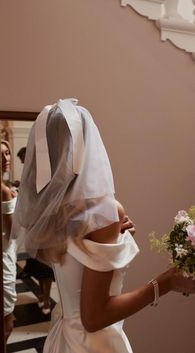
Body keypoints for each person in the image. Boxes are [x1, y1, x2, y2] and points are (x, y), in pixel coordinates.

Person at [10, 99, 195, 353]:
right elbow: (94, 318)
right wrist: (165, 283)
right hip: (94, 344)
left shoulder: (54, 210)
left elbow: (66, 262)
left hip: (64, 336)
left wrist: (112, 241)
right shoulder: (103, 211)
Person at [16, 146, 55, 315]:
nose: (23, 163)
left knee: (45, 268)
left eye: (24, 159)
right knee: (37, 267)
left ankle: (46, 298)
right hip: (34, 228)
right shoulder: (30, 177)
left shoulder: (43, 176)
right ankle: (43, 294)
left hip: (45, 228)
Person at [1, 140, 18, 344]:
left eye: (7, 153)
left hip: (6, 253)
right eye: (1, 155)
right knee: (6, 324)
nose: (6, 159)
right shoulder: (4, 190)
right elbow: (14, 230)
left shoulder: (4, 187)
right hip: (5, 254)